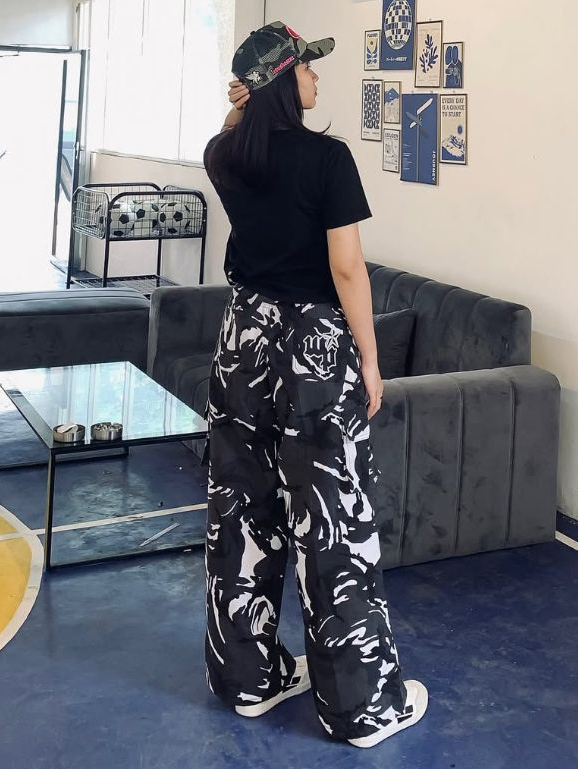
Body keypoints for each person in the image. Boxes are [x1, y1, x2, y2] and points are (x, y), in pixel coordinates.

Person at [201, 21, 429, 748]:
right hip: (313, 351)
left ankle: (248, 678)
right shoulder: (327, 158)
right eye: (306, 68)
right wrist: (369, 358)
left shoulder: (222, 155)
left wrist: (238, 108)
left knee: (242, 508)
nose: (316, 78)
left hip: (241, 341)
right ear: (282, 79)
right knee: (332, 520)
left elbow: (234, 137)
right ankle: (362, 707)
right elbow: (347, 269)